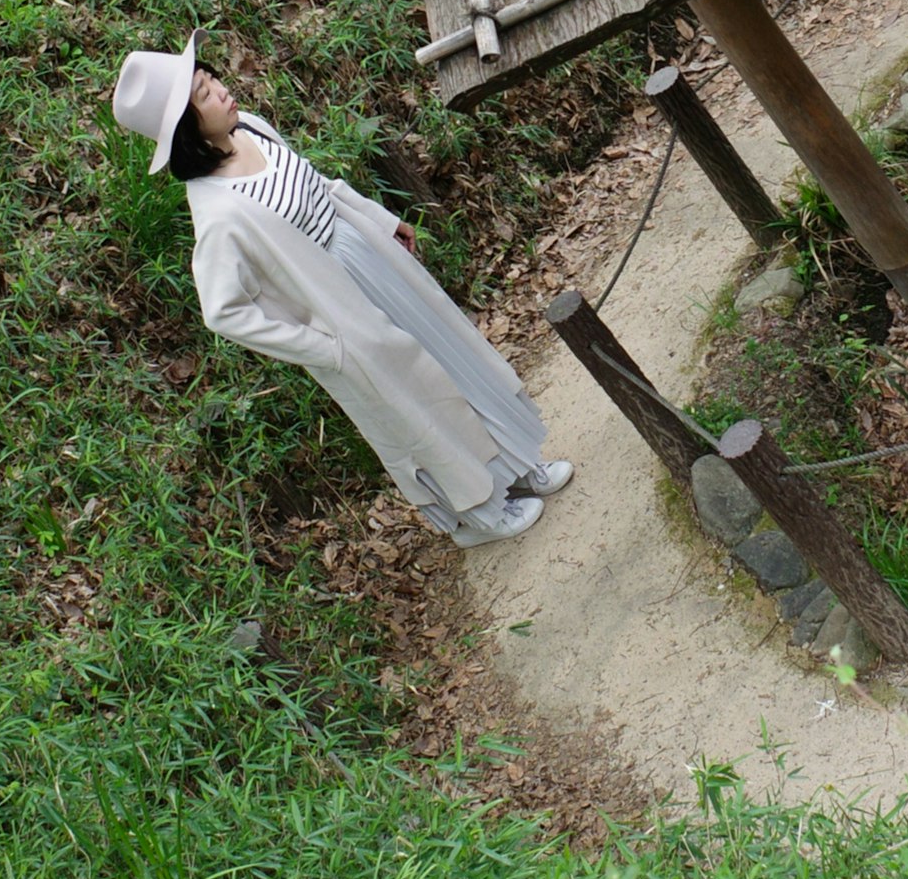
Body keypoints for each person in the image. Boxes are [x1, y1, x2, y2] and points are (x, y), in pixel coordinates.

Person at [110, 39, 569, 547]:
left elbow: (318, 184)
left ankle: (518, 462)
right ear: (185, 129)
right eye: (204, 92)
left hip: (371, 260)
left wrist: (380, 220)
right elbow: (224, 312)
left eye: (212, 78)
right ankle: (480, 515)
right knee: (416, 406)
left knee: (450, 353)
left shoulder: (252, 128)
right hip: (340, 317)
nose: (222, 90)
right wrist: (323, 348)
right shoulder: (218, 214)